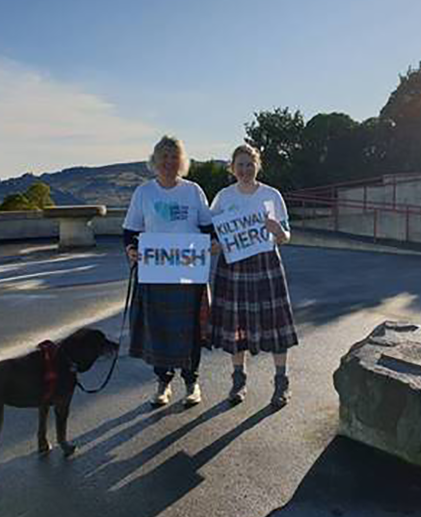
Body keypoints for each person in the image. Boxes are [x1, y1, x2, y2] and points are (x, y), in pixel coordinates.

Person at [123, 135, 214, 407]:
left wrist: (215, 244)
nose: (169, 162)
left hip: (189, 272)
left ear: (181, 161)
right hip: (155, 273)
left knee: (190, 329)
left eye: (174, 156)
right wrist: (130, 250)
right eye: (164, 156)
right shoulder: (144, 193)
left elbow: (208, 227)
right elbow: (130, 231)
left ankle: (192, 382)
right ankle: (163, 383)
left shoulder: (193, 190)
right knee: (158, 329)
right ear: (155, 160)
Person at [208, 144, 298, 408]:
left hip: (265, 263)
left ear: (257, 165)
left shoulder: (272, 195)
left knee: (275, 323)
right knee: (237, 324)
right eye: (240, 165)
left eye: (250, 164)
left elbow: (286, 237)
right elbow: (215, 237)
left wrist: (278, 230)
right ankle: (238, 381)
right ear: (232, 168)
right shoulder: (223, 197)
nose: (245, 170)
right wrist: (216, 245)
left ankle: (281, 383)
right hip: (233, 266)